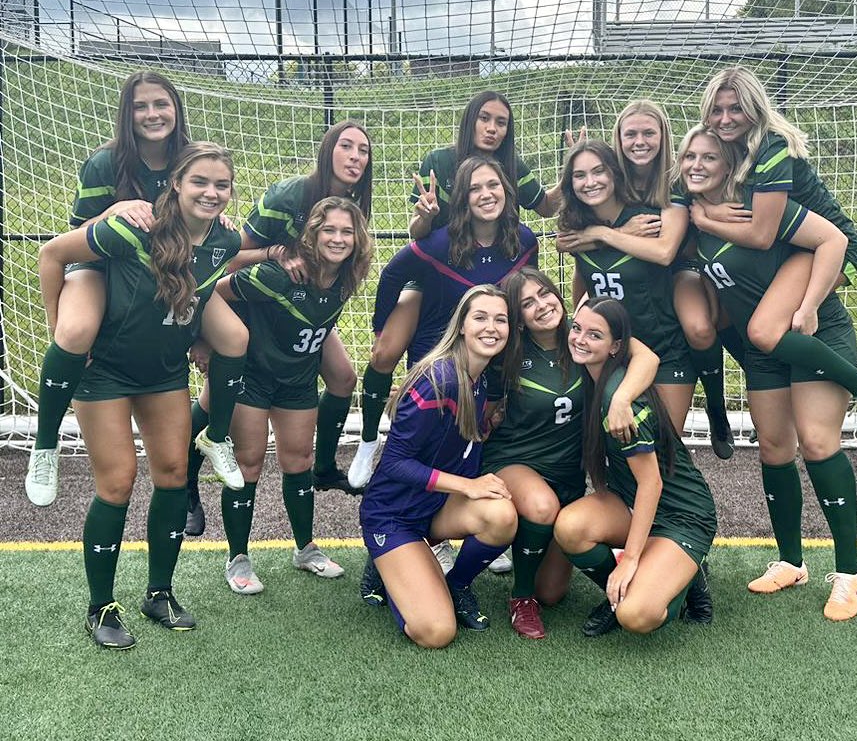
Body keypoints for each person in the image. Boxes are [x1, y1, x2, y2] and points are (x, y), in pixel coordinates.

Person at [37, 141, 242, 649]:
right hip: (106, 372)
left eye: (221, 184)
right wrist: (58, 327)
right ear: (176, 184)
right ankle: (101, 606)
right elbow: (52, 253)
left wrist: (201, 338)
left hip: (163, 373)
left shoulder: (226, 241)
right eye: (200, 182)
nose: (211, 192)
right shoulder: (135, 227)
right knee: (118, 482)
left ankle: (160, 593)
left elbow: (204, 289)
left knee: (172, 476)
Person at [681, 126, 857, 620]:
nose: (696, 165)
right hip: (763, 349)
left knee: (817, 443)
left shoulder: (763, 209)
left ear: (730, 166)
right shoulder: (690, 221)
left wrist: (809, 302)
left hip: (811, 333)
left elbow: (830, 240)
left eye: (709, 157)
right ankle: (791, 562)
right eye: (689, 157)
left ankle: (849, 571)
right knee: (774, 448)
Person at [25, 72, 247, 507]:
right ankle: (46, 444)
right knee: (75, 332)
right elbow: (76, 236)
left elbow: (205, 200)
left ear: (176, 108)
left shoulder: (190, 157)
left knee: (235, 336)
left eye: (161, 104)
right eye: (140, 106)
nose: (152, 114)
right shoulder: (105, 163)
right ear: (126, 113)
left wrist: (213, 215)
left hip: (173, 270)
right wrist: (115, 209)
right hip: (103, 264)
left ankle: (216, 436)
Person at [350, 90, 556, 491]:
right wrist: (424, 219)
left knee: (488, 387)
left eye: (501, 122)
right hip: (437, 276)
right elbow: (407, 250)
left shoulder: (518, 202)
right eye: (485, 118)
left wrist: (580, 171)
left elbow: (546, 207)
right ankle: (371, 441)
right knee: (388, 355)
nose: (492, 128)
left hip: (484, 295)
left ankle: (482, 467)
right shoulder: (439, 162)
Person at [184, 120, 374, 535]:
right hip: (250, 300)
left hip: (295, 308)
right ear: (328, 149)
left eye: (363, 150)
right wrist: (273, 253)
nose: (355, 157)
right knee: (219, 394)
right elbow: (229, 259)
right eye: (346, 146)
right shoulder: (290, 194)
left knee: (343, 377)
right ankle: (186, 479)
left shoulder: (351, 208)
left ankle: (323, 467)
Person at [696, 66, 857, 451]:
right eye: (717, 110)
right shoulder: (725, 147)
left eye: (735, 108)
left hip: (826, 249)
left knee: (764, 330)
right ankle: (779, 400)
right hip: (793, 247)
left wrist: (705, 218)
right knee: (725, 317)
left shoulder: (772, 148)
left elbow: (761, 233)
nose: (725, 118)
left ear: (755, 108)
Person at [484, 267, 661, 639]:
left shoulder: (582, 335)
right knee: (541, 507)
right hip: (516, 460)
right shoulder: (509, 352)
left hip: (567, 474)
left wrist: (622, 398)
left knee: (552, 593)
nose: (542, 305)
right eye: (527, 303)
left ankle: (638, 573)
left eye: (545, 293)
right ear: (518, 319)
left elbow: (648, 358)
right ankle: (520, 598)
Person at [210, 196, 373, 594]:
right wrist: (209, 343)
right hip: (253, 377)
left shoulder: (347, 277)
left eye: (347, 231)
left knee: (298, 461)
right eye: (328, 230)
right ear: (312, 234)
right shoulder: (279, 275)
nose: (338, 239)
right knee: (248, 463)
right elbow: (213, 293)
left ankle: (305, 549)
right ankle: (238, 558)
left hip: (298, 379)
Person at [358, 285, 518, 649]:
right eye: (480, 317)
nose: (491, 327)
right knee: (436, 632)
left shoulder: (481, 377)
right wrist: (468, 486)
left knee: (501, 515)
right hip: (394, 515)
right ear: (461, 325)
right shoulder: (438, 379)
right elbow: (394, 463)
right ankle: (387, 564)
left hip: (434, 506)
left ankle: (456, 584)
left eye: (501, 319)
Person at [554, 297, 718, 637]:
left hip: (680, 514)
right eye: (577, 328)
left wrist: (629, 559)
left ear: (616, 346)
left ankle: (688, 579)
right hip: (629, 502)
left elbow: (651, 484)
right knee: (570, 528)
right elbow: (642, 352)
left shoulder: (623, 404)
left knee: (636, 616)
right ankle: (619, 591)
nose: (580, 339)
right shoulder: (593, 377)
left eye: (594, 335)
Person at [612, 100, 745, 458]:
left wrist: (710, 211)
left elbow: (671, 247)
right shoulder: (610, 180)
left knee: (700, 327)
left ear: (664, 136)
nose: (640, 141)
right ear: (618, 139)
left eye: (649, 133)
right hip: (634, 275)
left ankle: (716, 407)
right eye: (631, 134)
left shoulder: (675, 177)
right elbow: (568, 235)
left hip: (681, 268)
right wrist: (614, 232)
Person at [556, 140, 696, 435]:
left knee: (666, 445)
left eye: (599, 171)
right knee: (618, 442)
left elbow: (666, 252)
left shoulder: (645, 218)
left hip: (664, 347)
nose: (590, 182)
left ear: (615, 173)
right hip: (611, 352)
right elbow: (582, 279)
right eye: (579, 175)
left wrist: (605, 234)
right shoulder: (575, 227)